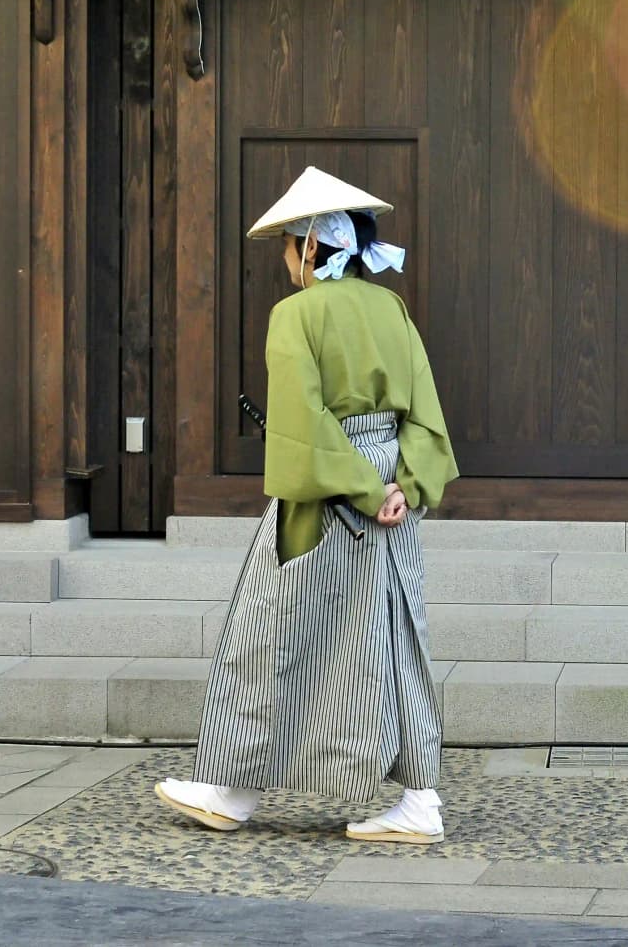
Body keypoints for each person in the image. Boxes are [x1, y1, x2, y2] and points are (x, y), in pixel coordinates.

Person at [155, 166, 459, 844]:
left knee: (273, 628)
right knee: (393, 637)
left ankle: (233, 786)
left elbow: (303, 420)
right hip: (392, 496)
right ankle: (419, 797)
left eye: (290, 249)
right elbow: (427, 413)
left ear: (312, 251)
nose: (287, 262)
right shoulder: (392, 309)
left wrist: (358, 486)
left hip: (329, 494)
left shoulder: (295, 314)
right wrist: (403, 485)